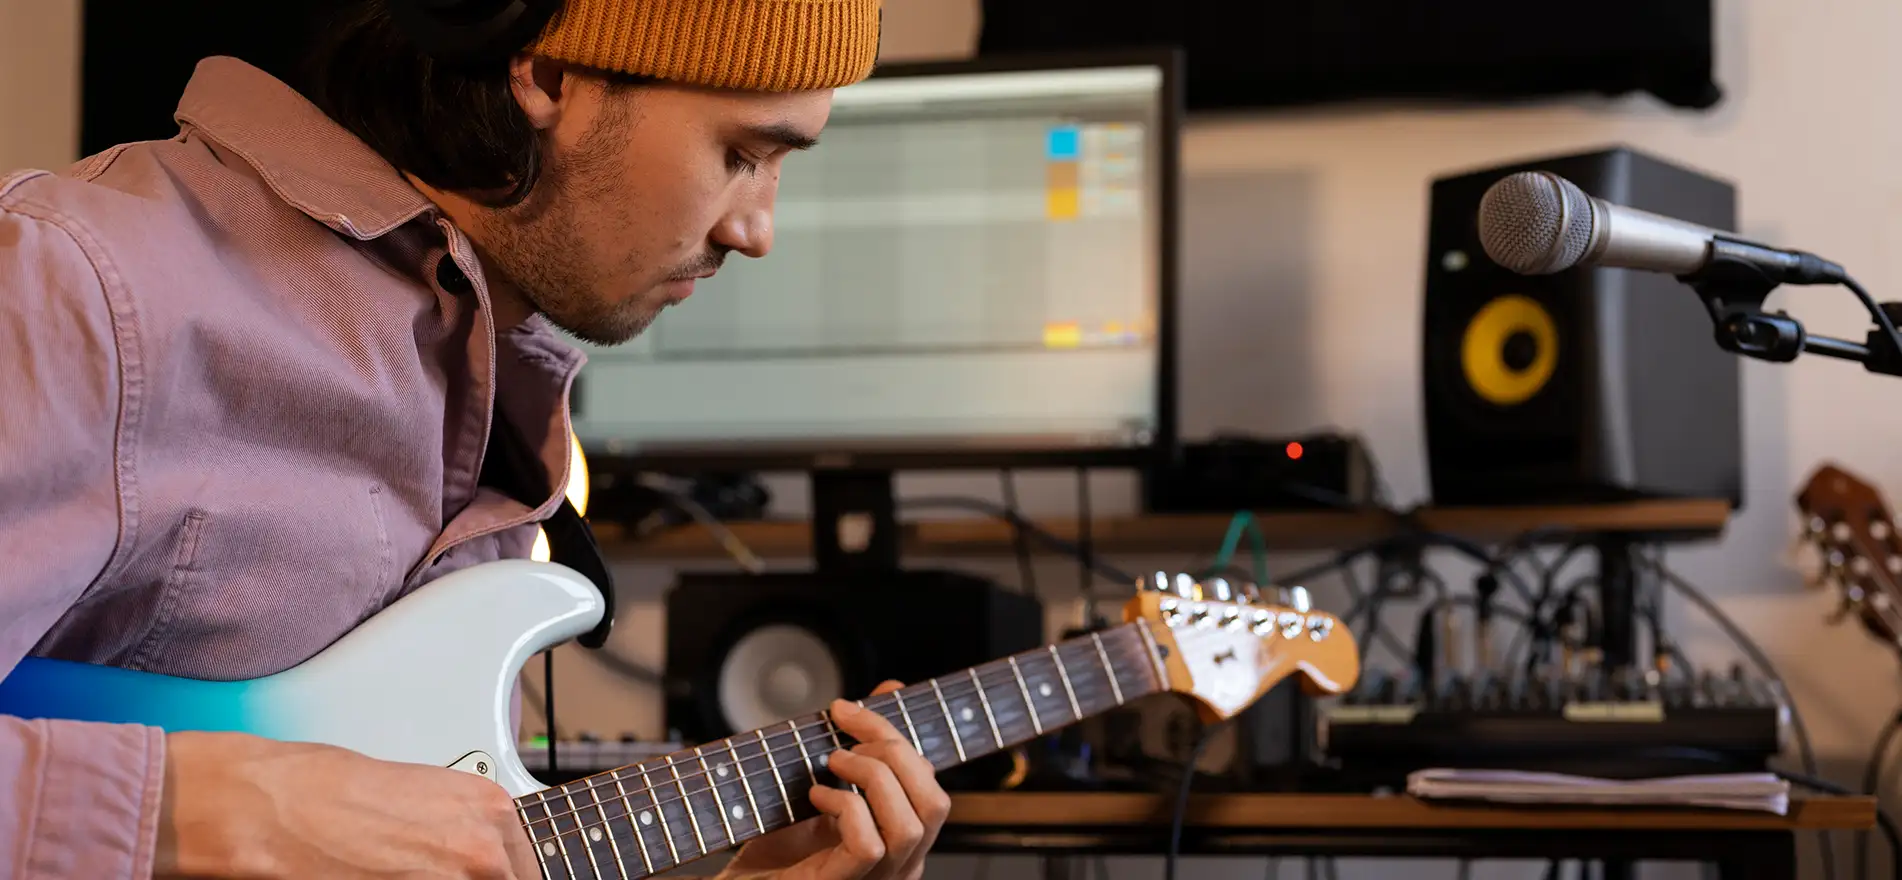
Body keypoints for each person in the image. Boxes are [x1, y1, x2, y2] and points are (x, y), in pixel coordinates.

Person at [0, 0, 953, 877]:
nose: (757, 229)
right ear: (547, 78)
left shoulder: (489, 357)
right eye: (745, 153)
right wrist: (229, 810)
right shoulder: (81, 286)